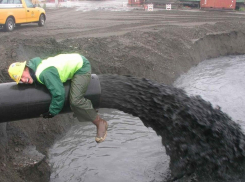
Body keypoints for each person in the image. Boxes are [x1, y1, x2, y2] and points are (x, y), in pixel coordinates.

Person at [8, 53, 108, 143]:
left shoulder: (44, 73)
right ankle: (86, 110)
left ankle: (100, 123)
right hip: (74, 61)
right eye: (20, 80)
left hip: (81, 66)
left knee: (75, 100)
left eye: (22, 75)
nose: (23, 80)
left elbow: (59, 94)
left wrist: (52, 111)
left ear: (26, 68)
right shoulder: (35, 67)